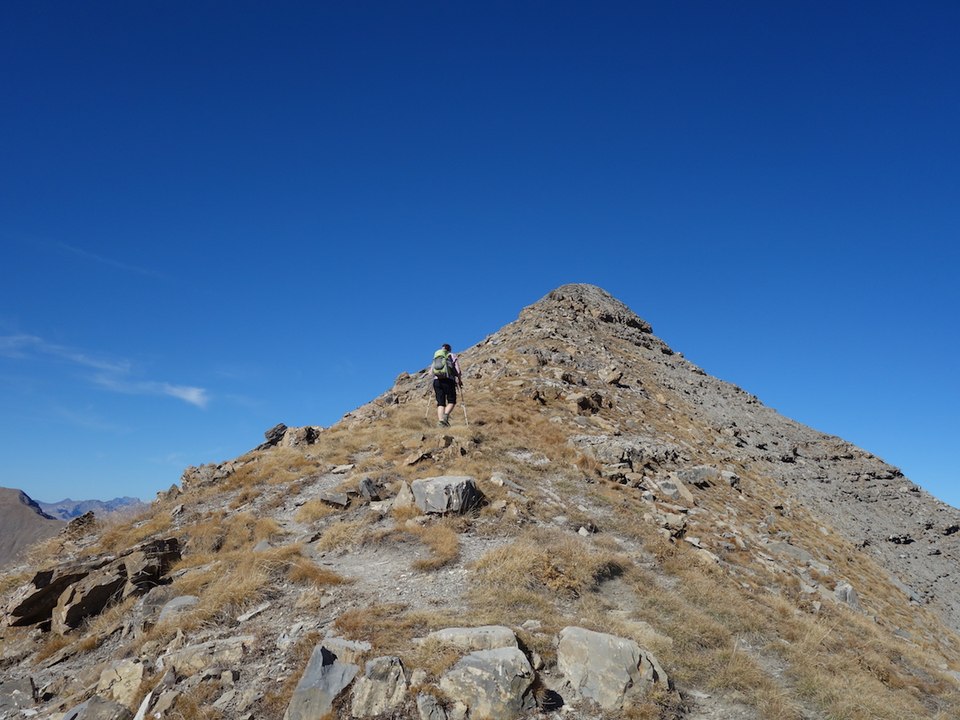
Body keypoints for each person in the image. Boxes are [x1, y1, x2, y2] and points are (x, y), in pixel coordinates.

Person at [431, 343, 462, 427]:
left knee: (441, 403)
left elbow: (431, 371)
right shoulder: (451, 355)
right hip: (448, 380)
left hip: (437, 381)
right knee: (452, 400)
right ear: (450, 349)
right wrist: (459, 380)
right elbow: (458, 370)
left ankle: (441, 422)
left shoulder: (437, 356)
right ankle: (445, 416)